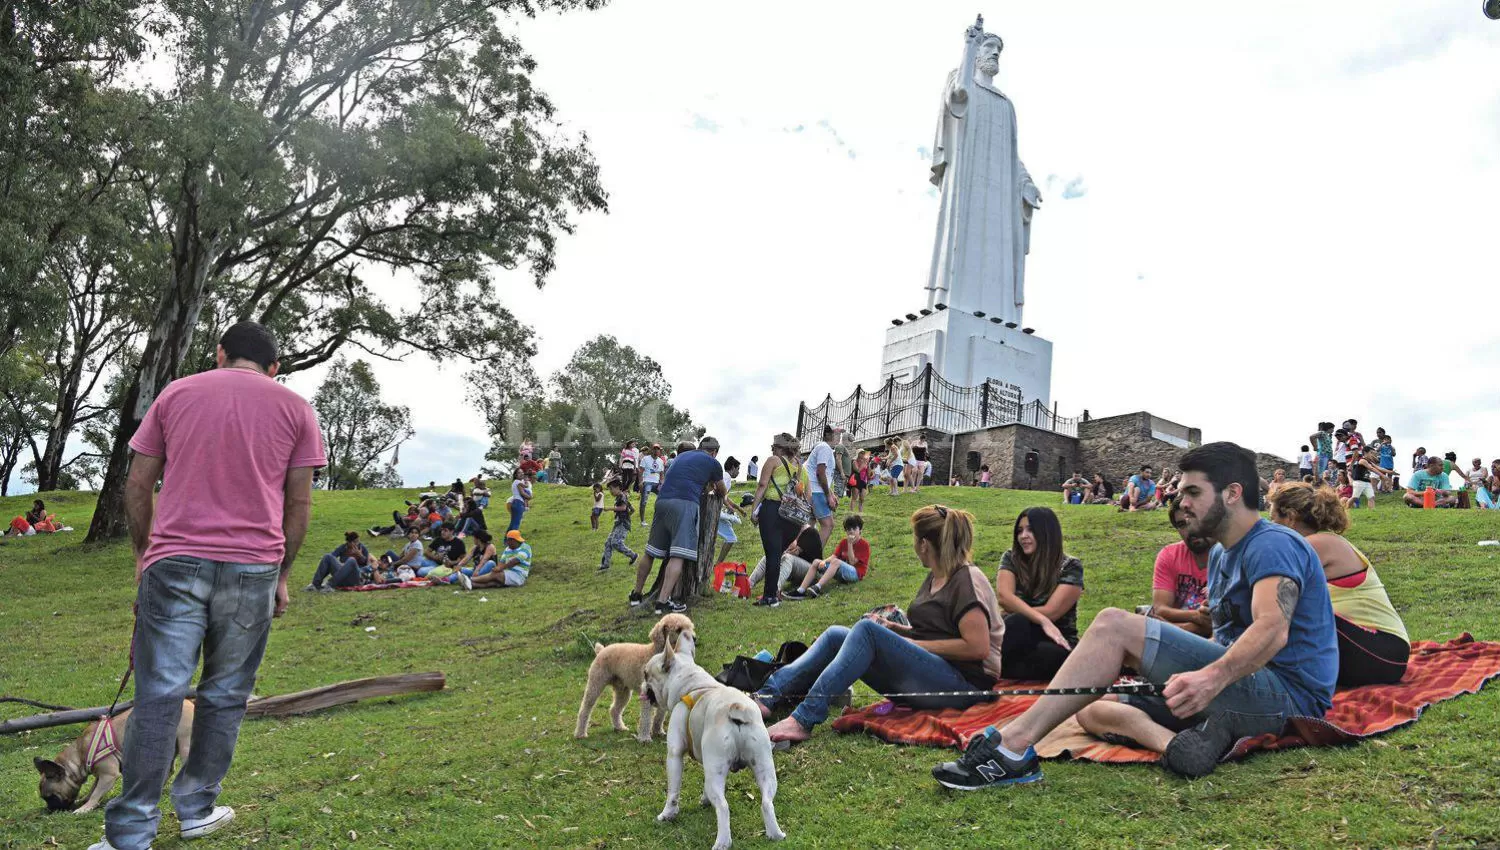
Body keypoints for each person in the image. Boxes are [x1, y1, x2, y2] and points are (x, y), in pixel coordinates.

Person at [932, 442, 1337, 788]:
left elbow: (1272, 629)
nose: (1182, 502)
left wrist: (1208, 676)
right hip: (1241, 689)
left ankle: (1013, 746)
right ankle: (1180, 747)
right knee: (1088, 704)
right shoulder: (1219, 553)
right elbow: (1226, 637)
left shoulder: (1272, 544)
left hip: (1287, 698)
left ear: (1232, 493)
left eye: (1194, 492)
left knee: (1112, 623)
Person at [94, 321, 323, 850]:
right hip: (253, 569)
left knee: (159, 696)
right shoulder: (296, 409)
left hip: (174, 563)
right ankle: (197, 807)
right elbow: (299, 503)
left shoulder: (177, 393)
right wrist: (283, 574)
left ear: (219, 354)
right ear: (274, 367)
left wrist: (142, 553)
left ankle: (130, 832)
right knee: (224, 695)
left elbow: (137, 482)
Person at [757, 505, 1005, 745]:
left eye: (914, 538)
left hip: (965, 687)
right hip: (935, 673)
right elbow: (931, 634)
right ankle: (767, 696)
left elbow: (977, 647)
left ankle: (803, 719)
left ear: (925, 544)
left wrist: (911, 643)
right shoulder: (936, 575)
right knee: (836, 635)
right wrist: (893, 628)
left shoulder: (967, 579)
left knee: (866, 632)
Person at [1268, 482, 1409, 686]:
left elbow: (1269, 589)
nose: (1270, 529)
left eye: (1273, 521)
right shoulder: (1323, 541)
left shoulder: (1317, 544)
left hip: (1382, 654)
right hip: (1376, 654)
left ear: (1290, 518)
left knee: (1289, 610)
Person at [628, 436, 726, 615]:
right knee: (678, 554)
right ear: (715, 452)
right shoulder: (713, 463)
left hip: (662, 501)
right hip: (685, 504)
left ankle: (636, 594)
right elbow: (721, 490)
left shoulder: (681, 457)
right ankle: (662, 602)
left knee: (650, 552)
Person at [994, 507, 1083, 681]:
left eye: (1030, 530)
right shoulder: (1011, 558)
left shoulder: (1071, 566)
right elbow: (1004, 597)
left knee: (1049, 655)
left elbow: (1052, 612)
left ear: (1047, 533)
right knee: (1016, 623)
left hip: (1055, 637)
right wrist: (1037, 618)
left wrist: (1017, 613)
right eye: (1020, 531)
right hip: (1016, 634)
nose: (1023, 536)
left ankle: (993, 667)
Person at [747, 433, 808, 608]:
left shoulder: (774, 461)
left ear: (780, 448)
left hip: (773, 510)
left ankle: (770, 597)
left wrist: (754, 510)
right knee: (776, 554)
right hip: (794, 518)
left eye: (774, 446)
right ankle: (771, 594)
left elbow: (762, 485)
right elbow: (806, 495)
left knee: (772, 555)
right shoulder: (802, 469)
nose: (772, 449)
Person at [1146, 501, 1212, 638]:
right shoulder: (1169, 555)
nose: (1191, 529)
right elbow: (1160, 609)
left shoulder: (1230, 557)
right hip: (1175, 640)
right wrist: (1197, 619)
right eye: (1182, 524)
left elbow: (1222, 624)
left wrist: (1167, 627)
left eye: (1196, 519)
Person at [786, 514, 871, 599]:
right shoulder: (843, 542)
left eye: (854, 528)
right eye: (848, 529)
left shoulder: (864, 544)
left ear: (860, 530)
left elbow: (852, 562)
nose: (851, 531)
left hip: (855, 574)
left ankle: (817, 587)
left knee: (836, 562)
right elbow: (834, 556)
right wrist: (824, 561)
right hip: (842, 572)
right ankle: (800, 590)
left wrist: (850, 544)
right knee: (816, 561)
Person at [747, 523, 822, 597]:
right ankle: (748, 585)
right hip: (796, 573)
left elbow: (793, 552)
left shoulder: (810, 532)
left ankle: (773, 591)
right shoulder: (791, 531)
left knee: (787, 557)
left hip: (813, 574)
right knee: (770, 556)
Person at [805, 425, 839, 544]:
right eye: (837, 433)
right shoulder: (825, 448)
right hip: (815, 491)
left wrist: (831, 493)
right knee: (828, 525)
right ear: (828, 435)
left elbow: (822, 475)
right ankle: (814, 556)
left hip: (812, 489)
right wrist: (828, 496)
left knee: (809, 525)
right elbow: (820, 473)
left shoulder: (824, 448)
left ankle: (802, 556)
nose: (839, 436)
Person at [306, 531, 371, 591]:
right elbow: (331, 557)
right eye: (355, 542)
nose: (357, 544)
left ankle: (330, 585)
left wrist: (360, 555)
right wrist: (341, 564)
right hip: (341, 576)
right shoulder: (343, 548)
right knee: (327, 556)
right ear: (348, 543)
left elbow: (367, 565)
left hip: (356, 577)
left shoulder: (362, 548)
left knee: (351, 560)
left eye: (358, 541)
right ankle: (315, 584)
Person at [597, 479, 637, 572]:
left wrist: (610, 508)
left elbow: (623, 508)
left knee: (616, 543)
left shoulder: (622, 496)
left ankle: (633, 555)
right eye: (609, 489)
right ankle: (605, 564)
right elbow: (632, 509)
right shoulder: (621, 497)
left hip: (622, 525)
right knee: (608, 543)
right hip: (619, 523)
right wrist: (627, 516)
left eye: (611, 489)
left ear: (618, 488)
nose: (610, 491)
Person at [715, 457, 745, 565]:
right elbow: (721, 497)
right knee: (731, 538)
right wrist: (730, 507)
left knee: (729, 537)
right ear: (733, 468)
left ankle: (717, 563)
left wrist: (738, 508)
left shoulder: (724, 477)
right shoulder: (726, 478)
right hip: (715, 511)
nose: (738, 472)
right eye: (738, 469)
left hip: (715, 511)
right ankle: (718, 563)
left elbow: (726, 497)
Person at [638, 443, 665, 528]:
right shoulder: (645, 459)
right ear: (651, 450)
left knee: (663, 500)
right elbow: (640, 471)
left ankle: (660, 519)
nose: (656, 451)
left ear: (660, 451)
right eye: (655, 449)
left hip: (657, 483)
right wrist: (640, 482)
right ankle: (642, 521)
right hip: (647, 481)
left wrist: (662, 483)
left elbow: (661, 474)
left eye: (658, 449)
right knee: (644, 501)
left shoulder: (661, 461)